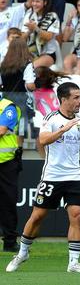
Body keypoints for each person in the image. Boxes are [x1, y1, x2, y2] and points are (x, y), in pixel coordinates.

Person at [6, 82, 80, 274]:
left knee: (77, 216)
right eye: (76, 97)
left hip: (74, 177)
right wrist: (62, 129)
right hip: (52, 176)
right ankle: (22, 253)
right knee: (37, 217)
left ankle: (73, 262)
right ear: (64, 99)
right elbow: (42, 140)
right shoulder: (50, 118)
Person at [0, 88, 21, 253]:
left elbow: (1, 131)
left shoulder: (8, 107)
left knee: (7, 202)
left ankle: (9, 241)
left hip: (6, 164)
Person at [21, 0, 60, 68]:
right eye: (33, 1)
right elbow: (22, 38)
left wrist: (36, 28)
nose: (34, 4)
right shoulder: (29, 14)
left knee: (31, 68)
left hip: (47, 54)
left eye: (37, 1)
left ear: (45, 2)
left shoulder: (52, 16)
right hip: (29, 53)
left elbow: (48, 37)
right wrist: (29, 31)